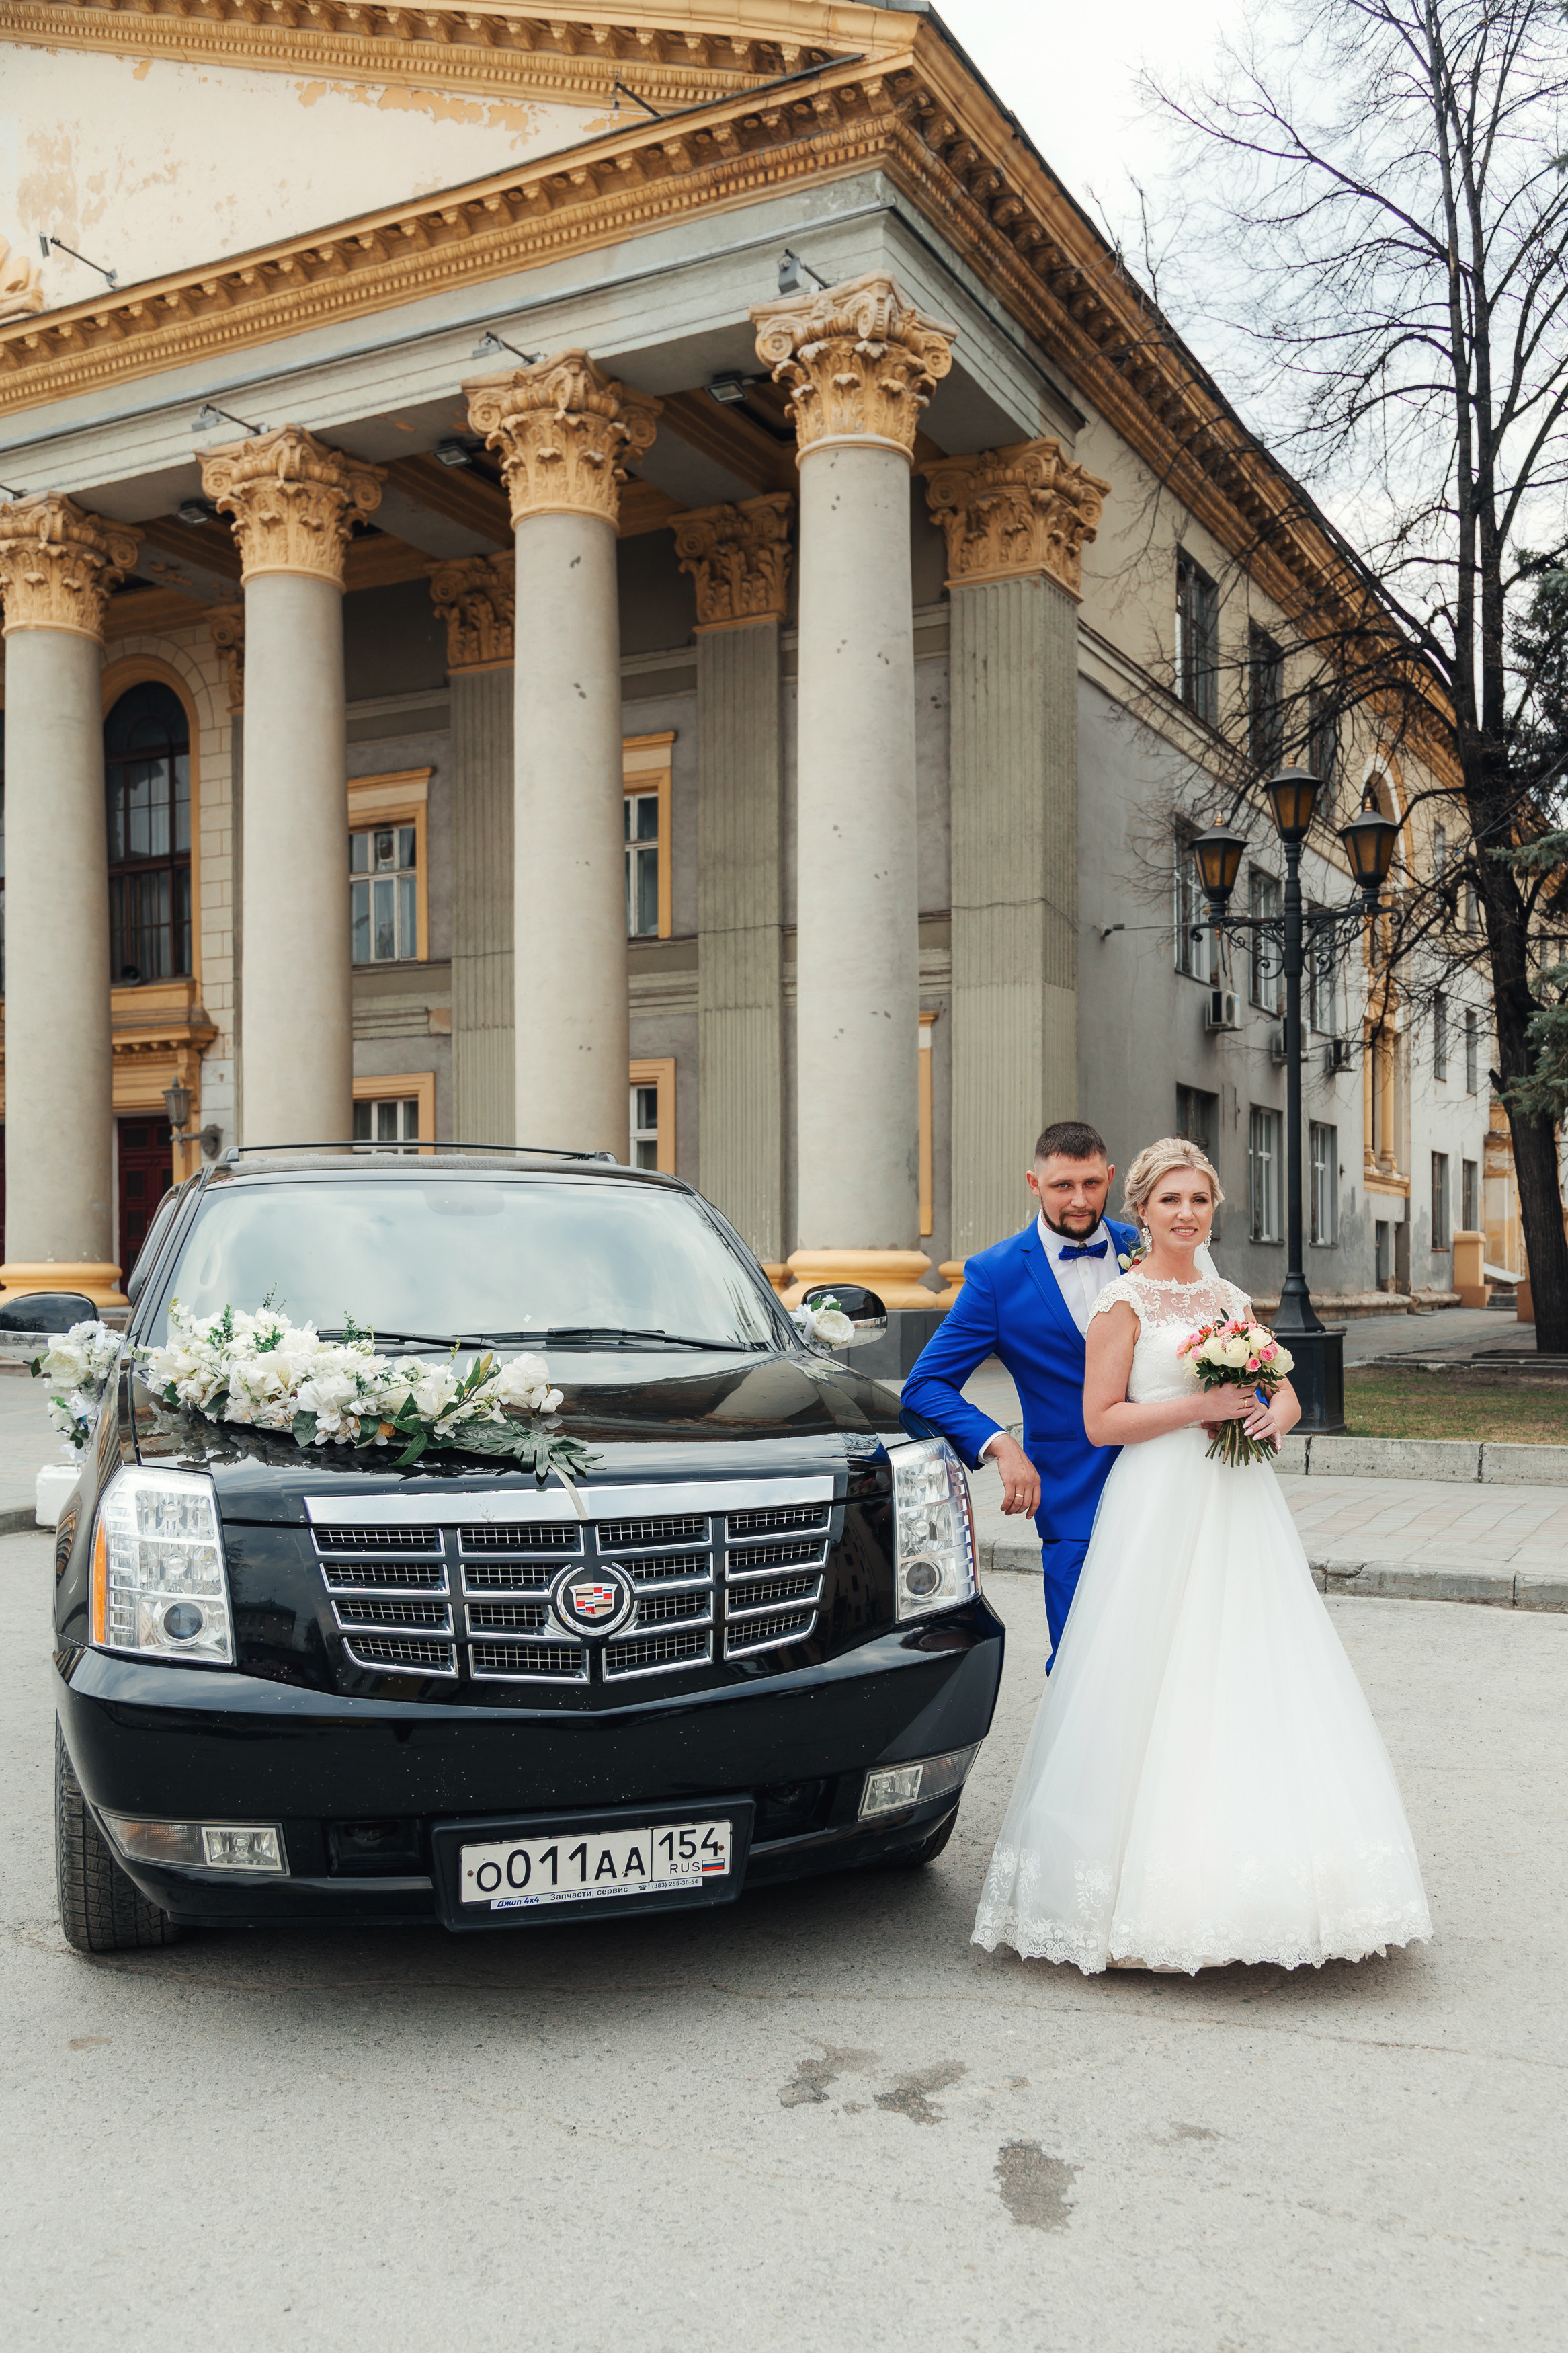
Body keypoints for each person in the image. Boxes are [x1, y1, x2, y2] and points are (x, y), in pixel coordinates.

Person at [972, 1138, 1432, 1975]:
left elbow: (1281, 1383)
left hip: (1236, 1500)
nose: (1186, 1214)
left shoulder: (1226, 1294)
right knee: (1149, 1672)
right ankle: (1128, 1888)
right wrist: (1201, 1406)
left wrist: (1272, 1413)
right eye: (1171, 1200)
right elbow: (1100, 1420)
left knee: (1251, 1667)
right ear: (1140, 1210)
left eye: (1199, 1200)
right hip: (1155, 1498)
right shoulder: (1123, 1300)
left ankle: (1271, 1879)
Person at [901, 1119, 1138, 1658]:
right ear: (1034, 1184)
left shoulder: (1147, 1248)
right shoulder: (995, 1274)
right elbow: (925, 1385)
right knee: (1084, 1660)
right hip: (1071, 1492)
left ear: (1110, 1178)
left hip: (1167, 1479)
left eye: (1091, 1184)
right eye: (1062, 1187)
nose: (1079, 1201)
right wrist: (1001, 1444)